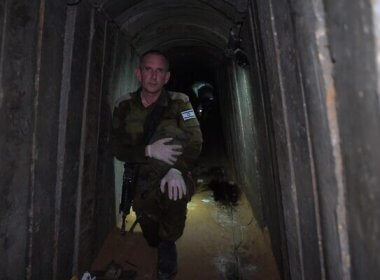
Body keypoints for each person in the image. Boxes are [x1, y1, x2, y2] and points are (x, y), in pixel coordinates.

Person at [111, 50, 203, 279]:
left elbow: (196, 140)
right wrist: (148, 150)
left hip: (174, 174)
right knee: (151, 236)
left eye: (159, 71)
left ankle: (168, 245)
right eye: (148, 70)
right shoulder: (124, 105)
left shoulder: (180, 102)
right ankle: (158, 236)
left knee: (173, 194)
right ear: (138, 74)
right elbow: (116, 147)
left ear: (167, 77)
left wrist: (177, 169)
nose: (153, 76)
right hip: (141, 179)